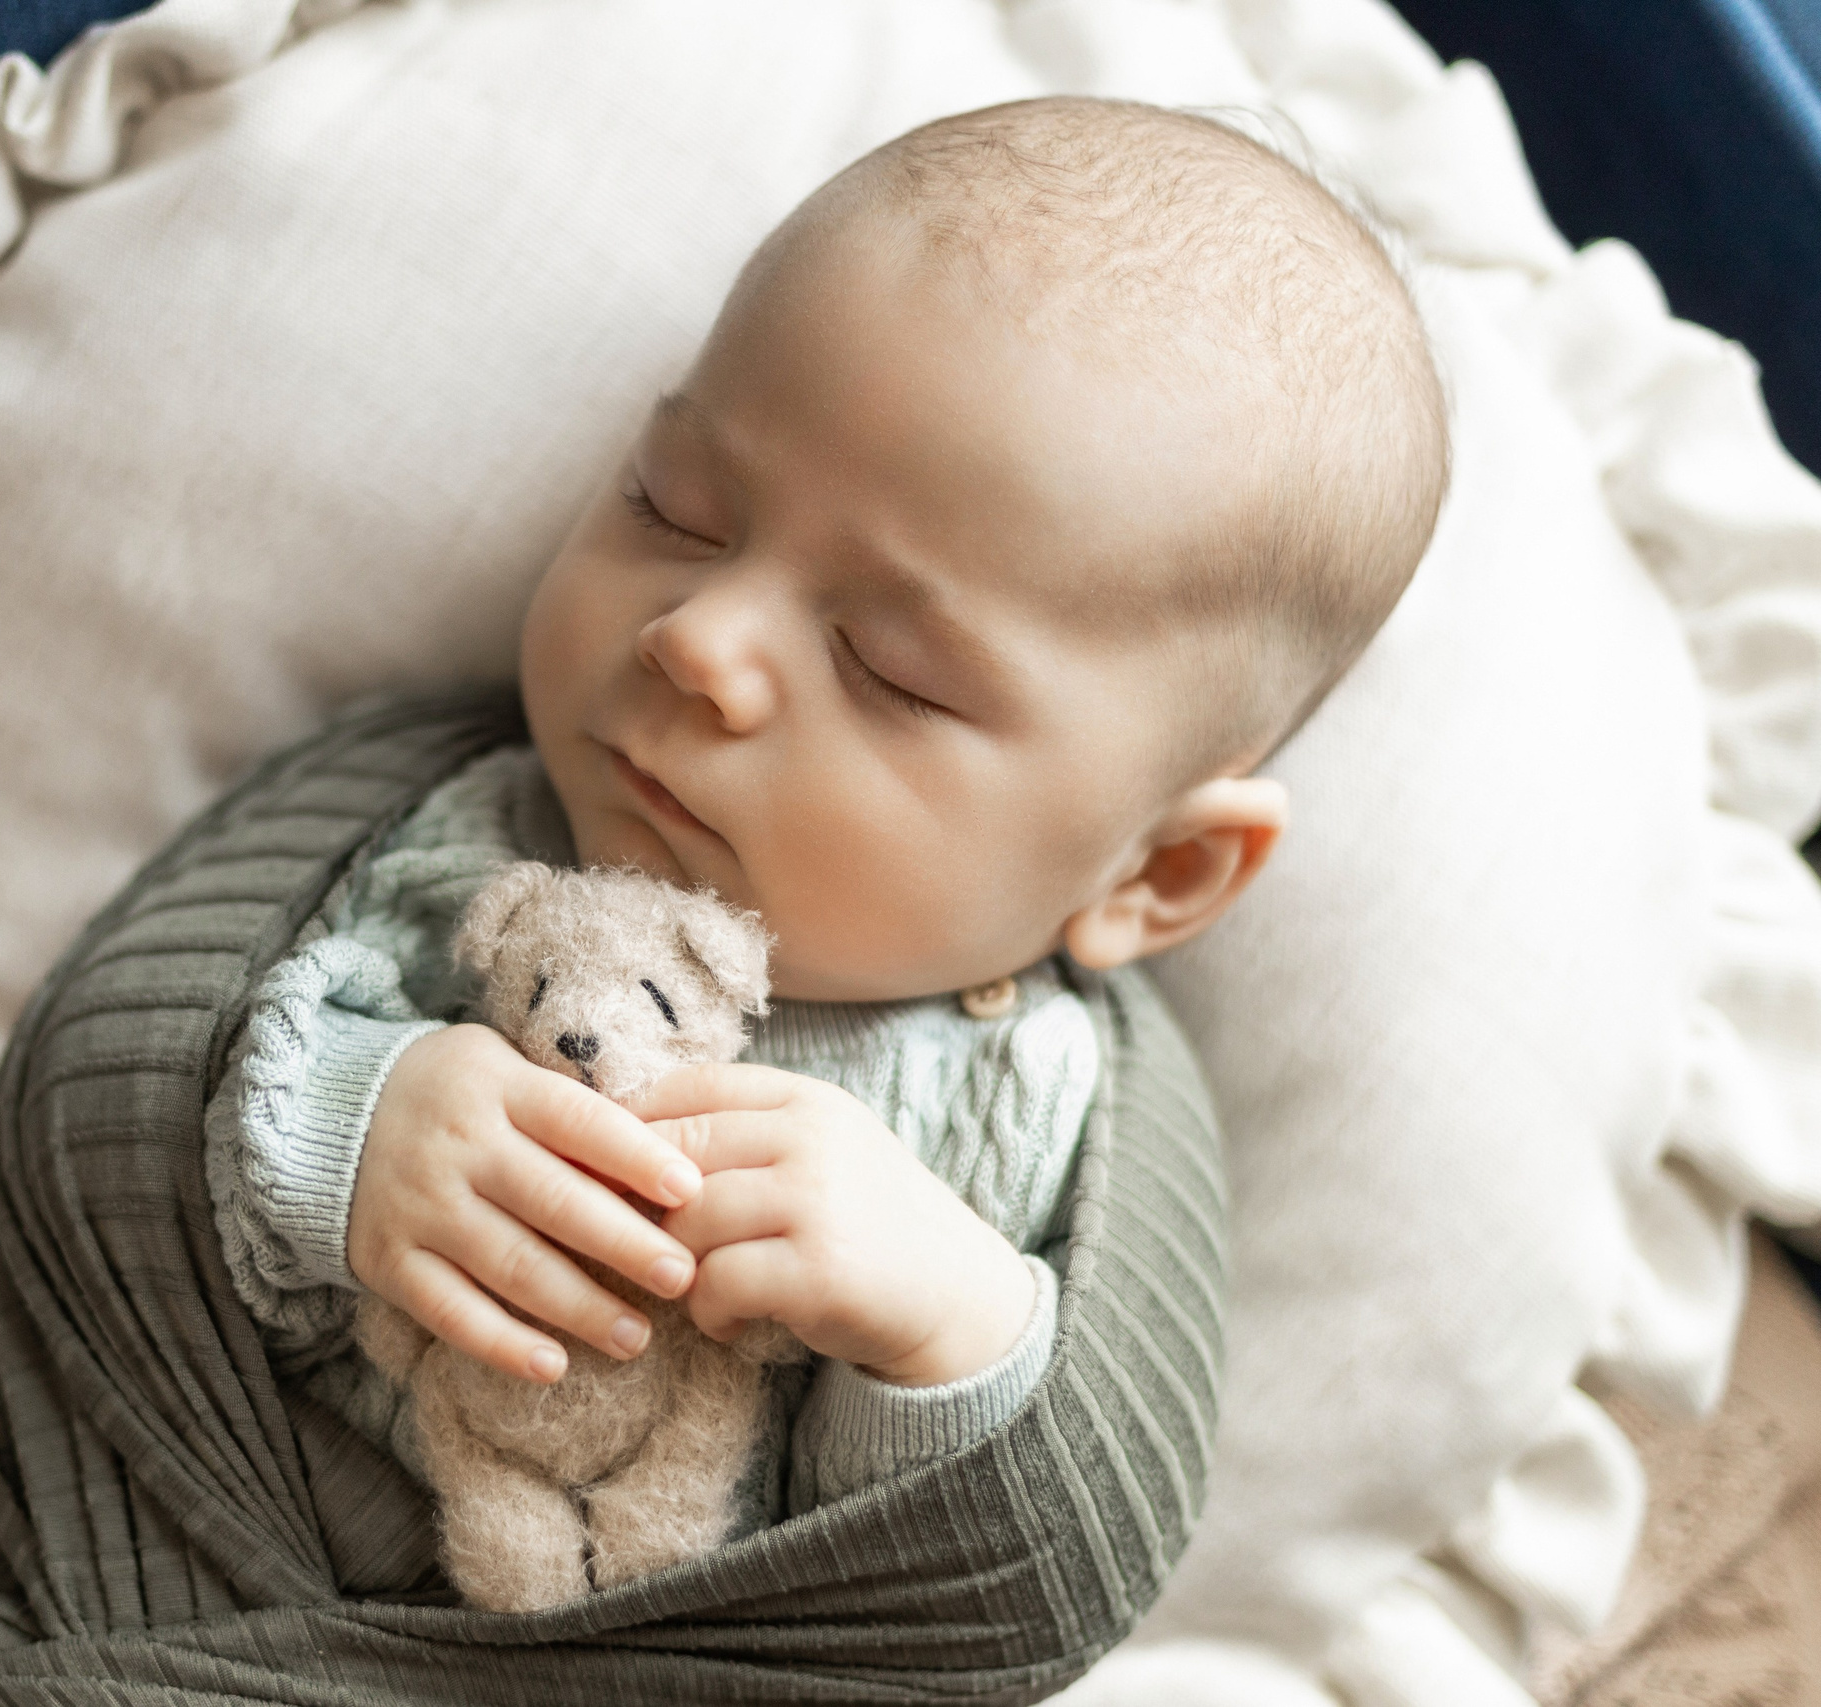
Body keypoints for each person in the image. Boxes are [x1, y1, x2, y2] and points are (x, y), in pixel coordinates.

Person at [202, 94, 1449, 1557]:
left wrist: (941, 1349)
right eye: (675, 509)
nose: (699, 639)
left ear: (1156, 870)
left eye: (888, 669)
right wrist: (344, 1130)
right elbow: (108, 1063)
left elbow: (1060, 1560)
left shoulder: (1062, 1125)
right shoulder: (436, 823)